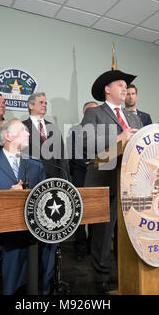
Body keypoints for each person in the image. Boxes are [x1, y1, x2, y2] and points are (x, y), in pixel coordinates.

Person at [0, 118, 56, 295]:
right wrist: (7, 195)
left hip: (35, 227)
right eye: (23, 130)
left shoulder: (35, 164)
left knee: (52, 239)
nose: (28, 133)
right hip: (5, 230)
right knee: (17, 241)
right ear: (8, 136)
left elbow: (45, 197)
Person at [81, 69, 142, 294]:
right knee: (103, 235)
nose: (125, 88)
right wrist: (118, 137)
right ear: (107, 90)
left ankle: (127, 273)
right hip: (104, 181)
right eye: (120, 84)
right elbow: (86, 142)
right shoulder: (95, 113)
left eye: (126, 85)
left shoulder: (134, 117)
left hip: (130, 185)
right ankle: (101, 278)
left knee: (129, 232)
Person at [68, 101, 97, 260]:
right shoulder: (74, 131)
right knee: (80, 214)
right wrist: (87, 162)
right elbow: (72, 152)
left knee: (95, 213)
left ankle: (93, 247)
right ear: (85, 113)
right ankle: (79, 248)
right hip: (80, 175)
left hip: (97, 176)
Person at [23, 92, 67, 179]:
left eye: (45, 103)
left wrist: (64, 180)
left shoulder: (54, 128)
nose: (44, 105)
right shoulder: (22, 127)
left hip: (54, 178)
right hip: (32, 177)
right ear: (31, 106)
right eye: (41, 102)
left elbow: (61, 157)